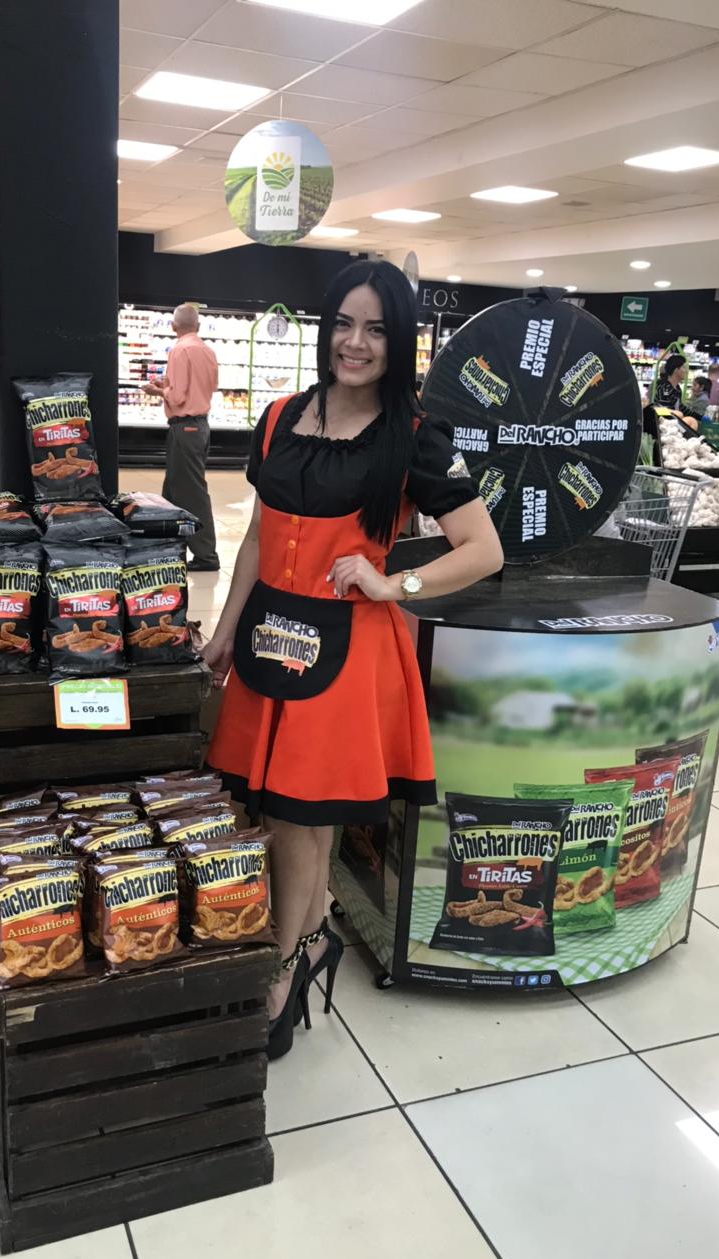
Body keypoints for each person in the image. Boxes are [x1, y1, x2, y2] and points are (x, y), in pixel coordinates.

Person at [203, 261, 504, 1058]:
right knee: (276, 813)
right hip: (269, 639)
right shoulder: (279, 417)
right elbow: (259, 536)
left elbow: (482, 549)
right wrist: (225, 629)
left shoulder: (416, 436)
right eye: (343, 323)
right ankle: (308, 945)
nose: (355, 342)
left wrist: (394, 582)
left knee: (298, 816)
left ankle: (281, 967)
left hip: (346, 652)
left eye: (375, 328)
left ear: (399, 341)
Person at [147, 304, 220, 570]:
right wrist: (167, 387)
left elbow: (177, 397)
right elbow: (209, 387)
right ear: (198, 326)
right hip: (200, 427)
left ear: (173, 326)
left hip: (185, 428)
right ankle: (168, 548)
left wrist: (158, 391)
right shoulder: (207, 351)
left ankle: (206, 556)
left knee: (191, 494)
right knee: (172, 492)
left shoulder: (179, 350)